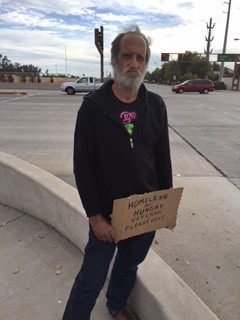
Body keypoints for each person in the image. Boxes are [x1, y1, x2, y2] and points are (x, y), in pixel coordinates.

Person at [62, 25, 172, 320]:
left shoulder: (156, 105)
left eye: (140, 58)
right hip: (107, 216)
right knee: (91, 276)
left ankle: (116, 304)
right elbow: (82, 166)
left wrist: (164, 208)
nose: (134, 64)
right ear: (114, 60)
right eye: (127, 56)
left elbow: (163, 160)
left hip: (143, 211)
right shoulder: (92, 108)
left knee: (128, 265)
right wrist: (95, 217)